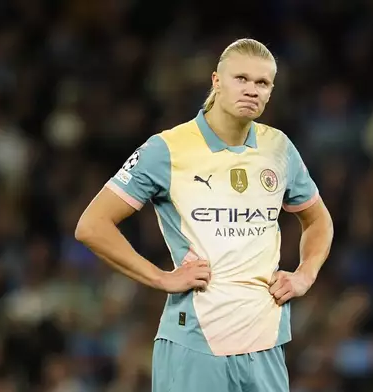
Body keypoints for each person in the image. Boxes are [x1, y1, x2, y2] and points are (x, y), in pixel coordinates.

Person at [75, 38, 333, 392]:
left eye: (262, 83)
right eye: (240, 78)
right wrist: (161, 278)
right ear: (216, 81)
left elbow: (318, 219)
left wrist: (305, 275)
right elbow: (92, 226)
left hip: (265, 342)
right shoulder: (166, 148)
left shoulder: (279, 148)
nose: (251, 90)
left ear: (271, 91)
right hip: (195, 342)